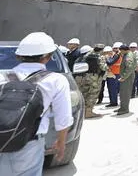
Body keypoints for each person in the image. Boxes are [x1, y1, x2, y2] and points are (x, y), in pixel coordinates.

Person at [0, 32, 74, 175]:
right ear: (47, 57)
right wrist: (61, 142)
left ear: (19, 56)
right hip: (30, 143)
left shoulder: (3, 77)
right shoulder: (56, 80)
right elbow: (63, 118)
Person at [75, 44, 107, 118]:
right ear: (101, 50)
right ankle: (88, 112)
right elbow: (103, 67)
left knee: (85, 94)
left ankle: (83, 112)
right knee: (93, 94)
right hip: (94, 77)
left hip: (83, 77)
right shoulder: (99, 57)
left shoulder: (83, 57)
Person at [115, 44, 136, 115]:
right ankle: (122, 107)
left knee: (125, 93)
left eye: (121, 51)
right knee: (122, 93)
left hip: (127, 78)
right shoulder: (128, 54)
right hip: (127, 77)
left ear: (124, 50)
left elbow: (129, 68)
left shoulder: (128, 56)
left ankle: (125, 109)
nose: (120, 52)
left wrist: (123, 77)